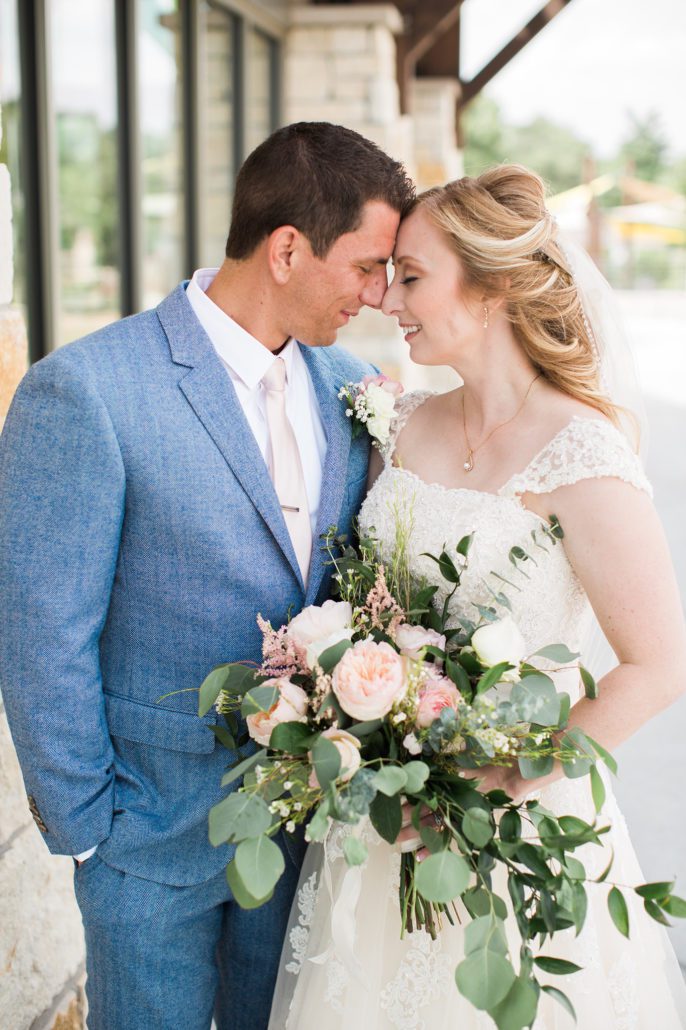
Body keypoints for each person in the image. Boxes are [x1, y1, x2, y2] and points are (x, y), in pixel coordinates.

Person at [0, 121, 414, 1030]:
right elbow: (41, 633)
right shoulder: (86, 391)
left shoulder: (352, 385)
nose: (379, 294)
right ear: (287, 248)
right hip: (148, 845)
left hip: (305, 841)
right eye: (365, 266)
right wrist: (93, 831)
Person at [268, 165, 686, 1028]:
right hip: (386, 821)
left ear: (493, 287)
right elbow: (372, 606)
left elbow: (659, 663)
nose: (389, 300)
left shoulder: (583, 451)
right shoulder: (400, 421)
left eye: (412, 276)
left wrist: (507, 778)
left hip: (512, 824)